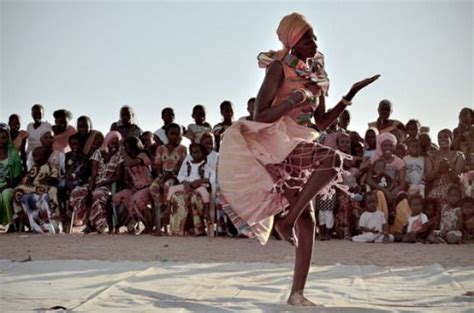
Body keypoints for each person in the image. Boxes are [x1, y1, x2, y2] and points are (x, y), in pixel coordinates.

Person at [217, 12, 379, 306]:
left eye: (314, 36)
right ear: (293, 43)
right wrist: (294, 99)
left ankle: (297, 294)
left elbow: (322, 121)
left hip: (301, 141)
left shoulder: (315, 73)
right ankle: (286, 220)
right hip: (277, 142)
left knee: (309, 221)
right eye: (306, 38)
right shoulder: (279, 69)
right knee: (332, 162)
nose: (313, 42)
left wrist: (350, 94)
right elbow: (260, 115)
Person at [69, 131, 124, 233]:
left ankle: (101, 225)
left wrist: (102, 184)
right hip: (94, 183)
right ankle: (88, 221)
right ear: (107, 142)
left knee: (98, 195)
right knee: (76, 192)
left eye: (117, 143)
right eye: (112, 143)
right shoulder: (98, 153)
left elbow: (118, 177)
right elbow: (93, 174)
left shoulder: (119, 157)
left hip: (107, 186)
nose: (114, 146)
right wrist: (91, 187)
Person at [167, 143, 215, 235]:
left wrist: (200, 181)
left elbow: (211, 178)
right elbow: (181, 176)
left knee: (198, 196)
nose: (195, 155)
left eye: (198, 153)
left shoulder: (206, 165)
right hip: (187, 186)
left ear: (202, 153)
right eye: (193, 153)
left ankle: (205, 215)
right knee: (175, 193)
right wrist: (185, 183)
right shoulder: (187, 164)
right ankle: (169, 213)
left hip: (199, 186)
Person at [149, 123, 187, 233]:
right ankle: (160, 213)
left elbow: (182, 167)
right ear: (167, 135)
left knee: (168, 186)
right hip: (163, 175)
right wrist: (161, 175)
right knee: (153, 188)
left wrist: (173, 175)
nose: (175, 136)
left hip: (176, 177)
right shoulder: (160, 148)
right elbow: (157, 165)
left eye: (177, 134)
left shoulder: (182, 149)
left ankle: (167, 216)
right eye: (172, 134)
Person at [13, 146, 60, 233]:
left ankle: (48, 223)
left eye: (36, 155)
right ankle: (20, 213)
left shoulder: (51, 168)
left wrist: (47, 180)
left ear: (45, 156)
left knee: (50, 191)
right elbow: (27, 180)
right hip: (33, 188)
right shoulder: (34, 168)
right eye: (33, 156)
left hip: (45, 188)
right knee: (18, 189)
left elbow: (54, 179)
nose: (34, 158)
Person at [113, 137, 154, 234]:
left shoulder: (143, 155)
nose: (126, 149)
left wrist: (122, 151)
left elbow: (131, 163)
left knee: (136, 200)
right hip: (136, 188)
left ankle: (149, 225)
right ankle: (131, 222)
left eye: (127, 147)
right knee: (118, 197)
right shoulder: (128, 158)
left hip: (147, 187)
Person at [426, 129, 465, 208]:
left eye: (446, 137)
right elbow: (428, 177)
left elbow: (456, 179)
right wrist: (438, 169)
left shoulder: (459, 155)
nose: (442, 139)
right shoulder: (430, 155)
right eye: (440, 137)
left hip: (452, 191)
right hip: (435, 189)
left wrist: (448, 169)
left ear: (451, 139)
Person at [0, 124, 23, 230]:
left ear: (8, 138)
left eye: (4, 137)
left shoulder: (13, 154)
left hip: (9, 185)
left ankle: (10, 223)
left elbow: (18, 177)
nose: (1, 140)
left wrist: (4, 187)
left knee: (5, 195)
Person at [26, 104, 52, 170]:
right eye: (35, 113)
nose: (37, 115)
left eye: (39, 113)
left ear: (43, 114)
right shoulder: (29, 126)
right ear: (32, 114)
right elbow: (29, 142)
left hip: (43, 156)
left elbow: (50, 141)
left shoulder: (47, 125)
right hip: (31, 156)